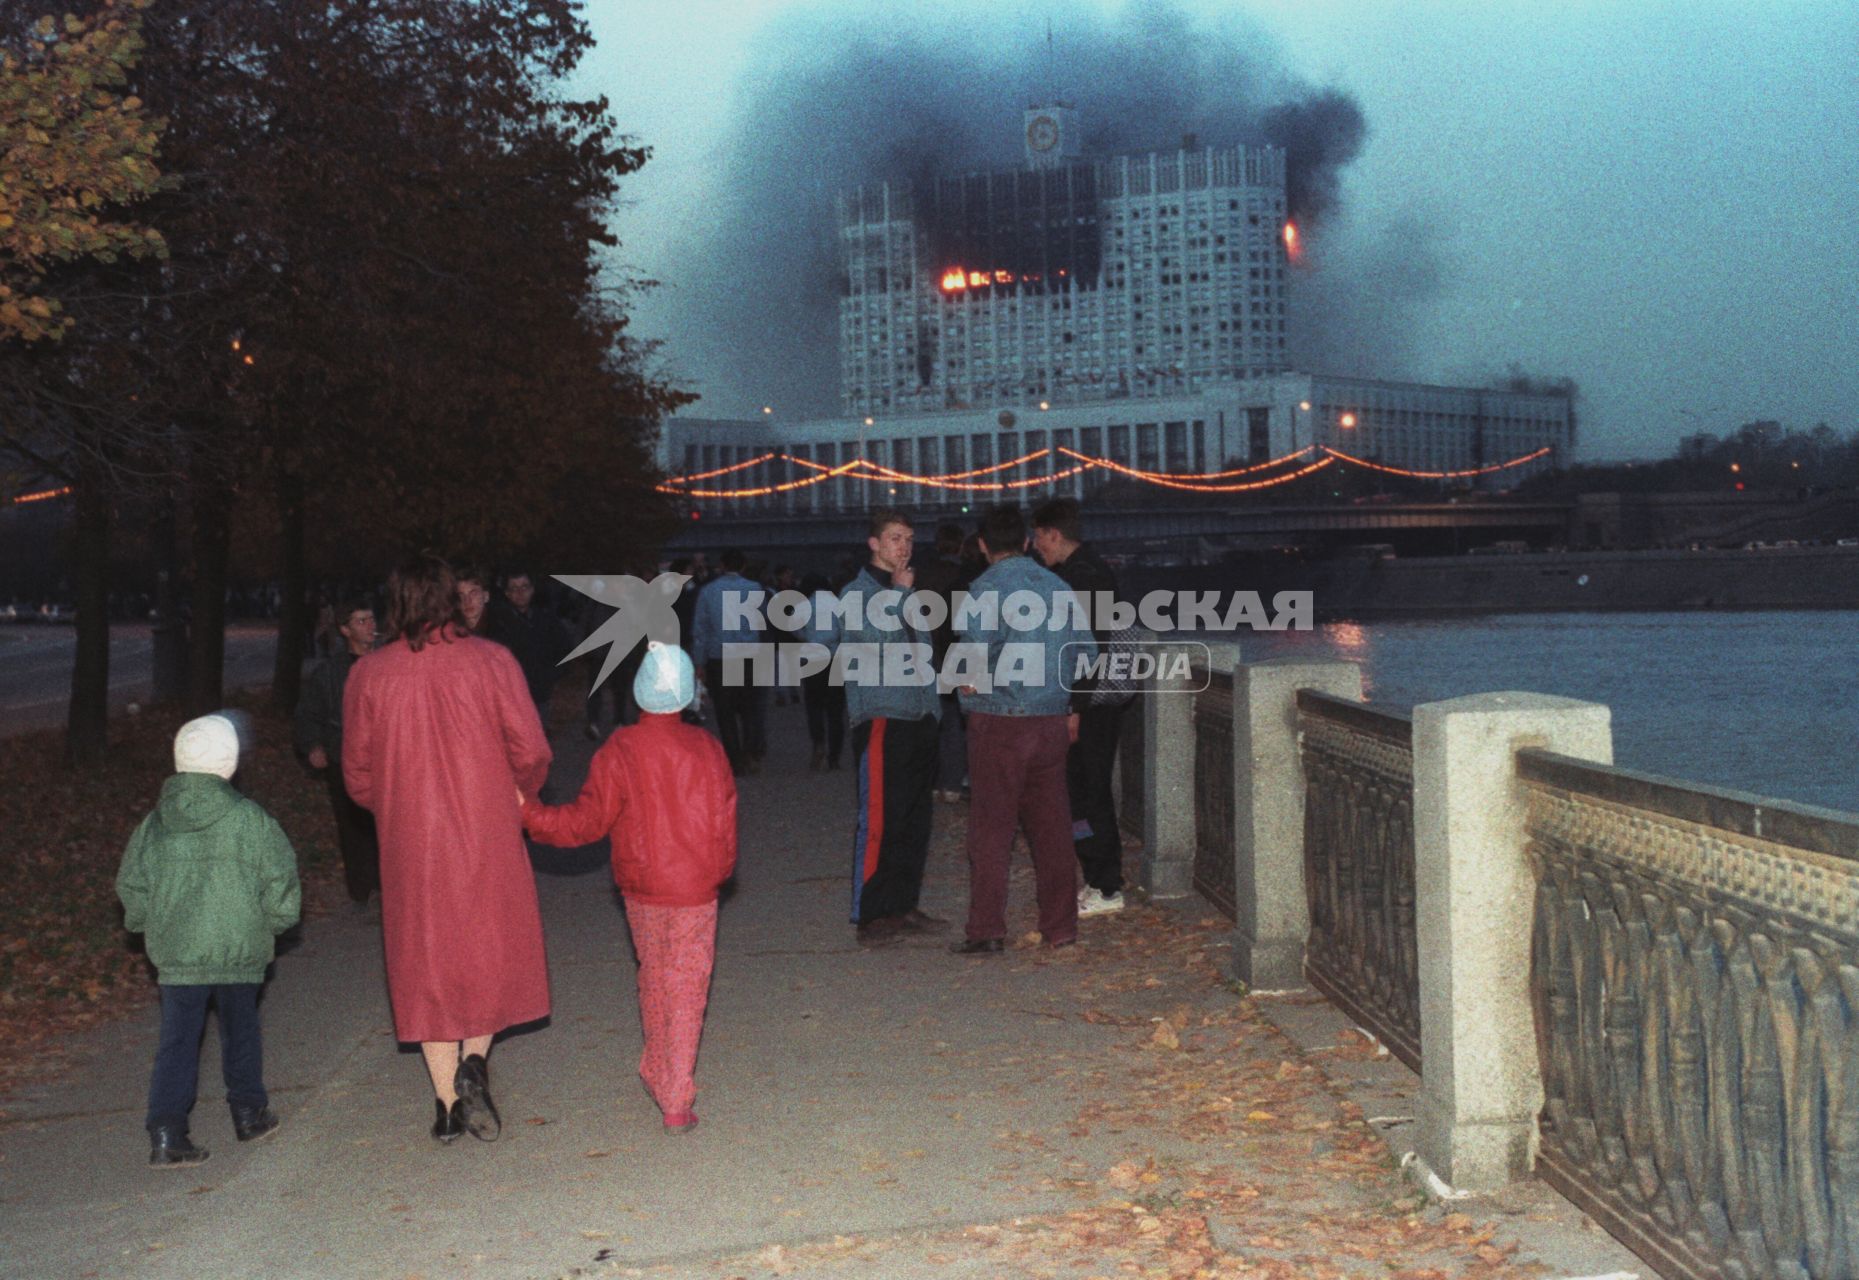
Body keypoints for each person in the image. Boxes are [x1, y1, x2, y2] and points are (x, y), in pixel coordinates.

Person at [342, 554, 554, 1145]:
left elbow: (357, 773)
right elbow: (531, 747)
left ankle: (444, 1106)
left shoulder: (369, 675)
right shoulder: (491, 661)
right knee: (485, 944)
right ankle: (475, 1060)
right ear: (452, 600)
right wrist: (521, 793)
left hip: (411, 836)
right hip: (484, 823)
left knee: (425, 958)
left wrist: (388, 802)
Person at [521, 642, 736, 1132]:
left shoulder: (619, 749)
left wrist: (529, 813)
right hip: (695, 888)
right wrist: (719, 871)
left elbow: (585, 823)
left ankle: (660, 1070)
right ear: (685, 695)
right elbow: (724, 823)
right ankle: (676, 1094)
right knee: (687, 985)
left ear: (641, 694)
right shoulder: (708, 749)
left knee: (655, 975)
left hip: (641, 885)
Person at [116, 714, 301, 1167]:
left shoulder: (155, 824)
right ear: (230, 763)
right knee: (241, 1031)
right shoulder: (249, 819)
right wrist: (276, 922)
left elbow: (132, 884)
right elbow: (280, 877)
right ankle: (248, 1112)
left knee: (178, 1040)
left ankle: (166, 1130)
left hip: (178, 951)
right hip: (238, 945)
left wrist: (144, 923)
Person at [950, 505, 1095, 955]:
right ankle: (1060, 928)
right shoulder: (1058, 586)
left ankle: (987, 929)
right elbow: (1085, 652)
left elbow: (971, 658)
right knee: (1052, 829)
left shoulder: (984, 589)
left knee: (992, 830)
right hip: (1050, 720)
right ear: (1028, 542)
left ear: (982, 545)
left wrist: (967, 695)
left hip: (1000, 722)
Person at [832, 509, 945, 946]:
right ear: (874, 544)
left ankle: (902, 902)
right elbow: (874, 646)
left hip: (918, 714)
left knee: (915, 816)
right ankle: (871, 912)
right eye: (896, 538)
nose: (905, 547)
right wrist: (899, 596)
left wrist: (933, 708)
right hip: (882, 714)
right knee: (881, 815)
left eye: (910, 539)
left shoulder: (910, 594)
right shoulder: (856, 594)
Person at [1032, 497, 1128, 916]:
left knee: (1087, 790)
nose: (1036, 546)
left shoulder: (1082, 577)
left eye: (1038, 537)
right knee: (1085, 789)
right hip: (1091, 702)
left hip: (1089, 704)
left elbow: (1089, 649)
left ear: (1054, 533)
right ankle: (1099, 879)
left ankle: (1105, 886)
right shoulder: (1086, 571)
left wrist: (1074, 708)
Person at [293, 596, 380, 903]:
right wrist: (313, 746)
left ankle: (391, 884)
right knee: (352, 823)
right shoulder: (330, 673)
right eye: (361, 621)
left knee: (388, 821)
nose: (370, 626)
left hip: (385, 757)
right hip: (344, 755)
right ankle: (361, 888)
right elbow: (307, 714)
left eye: (371, 619)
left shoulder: (388, 663)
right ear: (344, 630)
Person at [691, 549, 764, 775]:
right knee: (751, 707)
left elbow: (701, 630)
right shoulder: (755, 589)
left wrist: (699, 661)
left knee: (725, 711)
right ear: (743, 567)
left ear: (722, 566)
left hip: (720, 656)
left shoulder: (708, 591)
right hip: (749, 654)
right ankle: (752, 751)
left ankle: (735, 759)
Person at [912, 522, 969, 803]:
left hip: (925, 654)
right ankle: (954, 783)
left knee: (930, 721)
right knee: (955, 722)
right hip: (954, 654)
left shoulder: (921, 576)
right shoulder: (964, 577)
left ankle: (932, 781)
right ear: (960, 546)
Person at [481, 570, 571, 718]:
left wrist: (550, 676)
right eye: (514, 588)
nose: (520, 592)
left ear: (532, 589)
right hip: (510, 698)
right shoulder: (498, 623)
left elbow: (565, 648)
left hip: (540, 695)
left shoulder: (546, 620)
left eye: (524, 587)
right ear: (507, 593)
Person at [798, 571, 847, 770]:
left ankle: (818, 742)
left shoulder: (804, 605)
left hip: (812, 658)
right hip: (835, 658)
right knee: (836, 710)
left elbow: (795, 630)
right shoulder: (838, 603)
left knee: (814, 706)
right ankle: (834, 757)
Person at [454, 567, 492, 635]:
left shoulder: (502, 632)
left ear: (486, 596)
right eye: (461, 596)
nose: (467, 601)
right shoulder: (451, 630)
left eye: (473, 594)